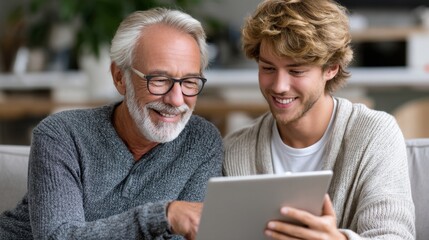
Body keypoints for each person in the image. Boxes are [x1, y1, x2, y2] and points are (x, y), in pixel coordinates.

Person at [0, 8, 223, 240]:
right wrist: (163, 217)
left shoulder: (202, 141)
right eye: (159, 80)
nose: (176, 100)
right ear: (119, 77)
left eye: (189, 82)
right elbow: (58, 237)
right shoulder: (62, 135)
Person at [223, 0, 415, 239]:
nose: (279, 86)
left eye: (296, 71)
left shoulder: (374, 134)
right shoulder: (235, 150)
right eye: (268, 68)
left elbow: (395, 235)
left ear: (331, 68)